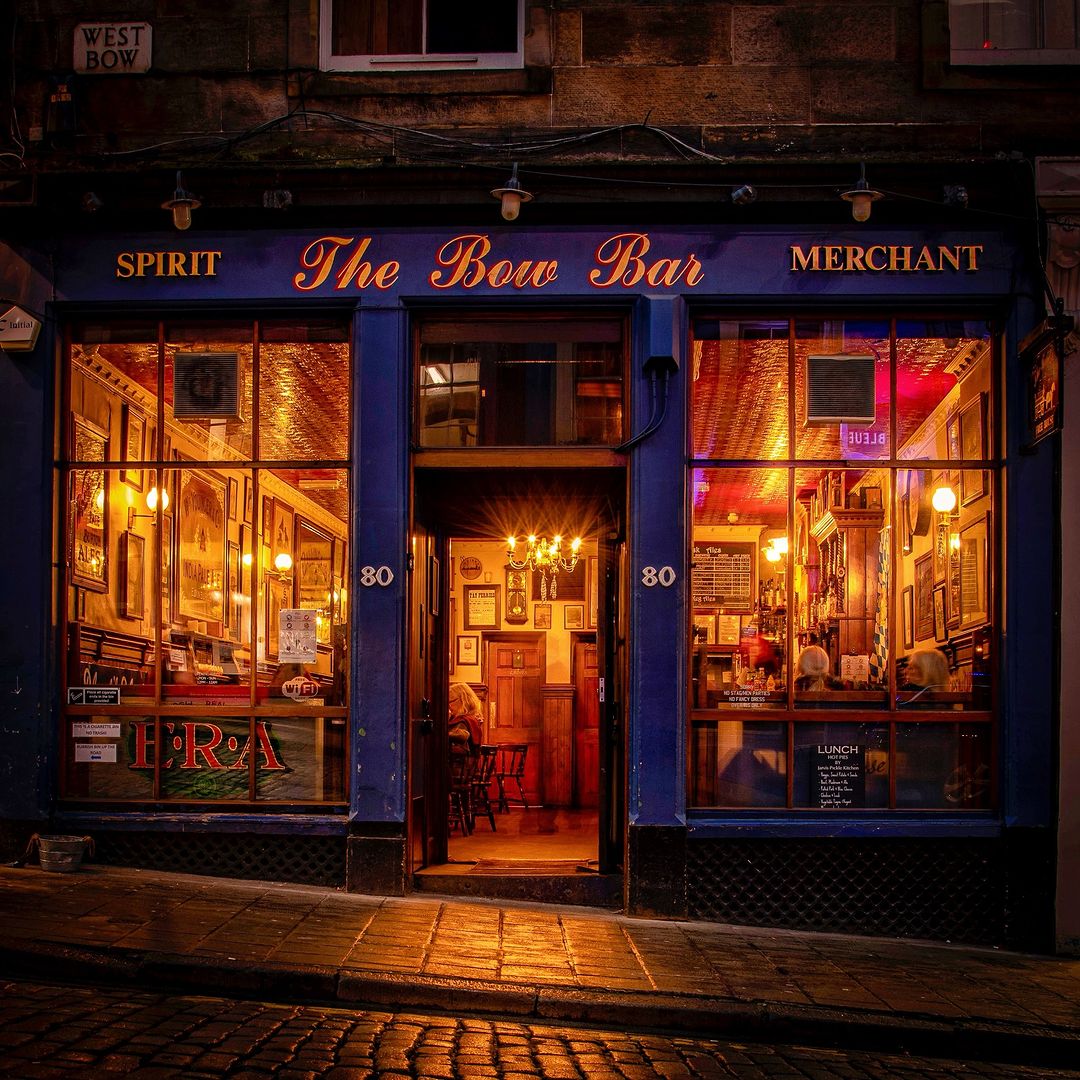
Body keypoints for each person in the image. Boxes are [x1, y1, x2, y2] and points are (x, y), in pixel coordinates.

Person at [448, 681, 483, 758]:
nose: (448, 706)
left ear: (463, 700)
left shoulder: (463, 720)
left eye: (450, 701)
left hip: (458, 765)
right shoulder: (471, 719)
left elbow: (463, 736)